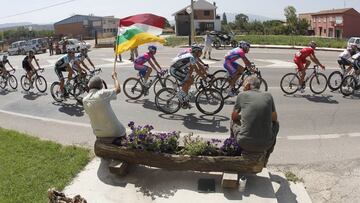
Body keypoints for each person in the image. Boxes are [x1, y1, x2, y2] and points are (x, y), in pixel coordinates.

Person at [230, 76, 279, 167]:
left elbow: (234, 116)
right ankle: (265, 159)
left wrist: (243, 115)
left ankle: (233, 153)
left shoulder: (242, 95)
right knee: (276, 124)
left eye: (243, 85)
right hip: (266, 144)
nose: (243, 88)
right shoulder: (268, 95)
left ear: (248, 85)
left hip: (244, 142)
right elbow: (274, 118)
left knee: (233, 122)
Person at [83, 72, 126, 144]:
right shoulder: (102, 94)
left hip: (98, 133)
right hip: (115, 132)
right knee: (122, 130)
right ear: (101, 86)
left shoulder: (84, 100)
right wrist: (115, 77)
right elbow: (118, 89)